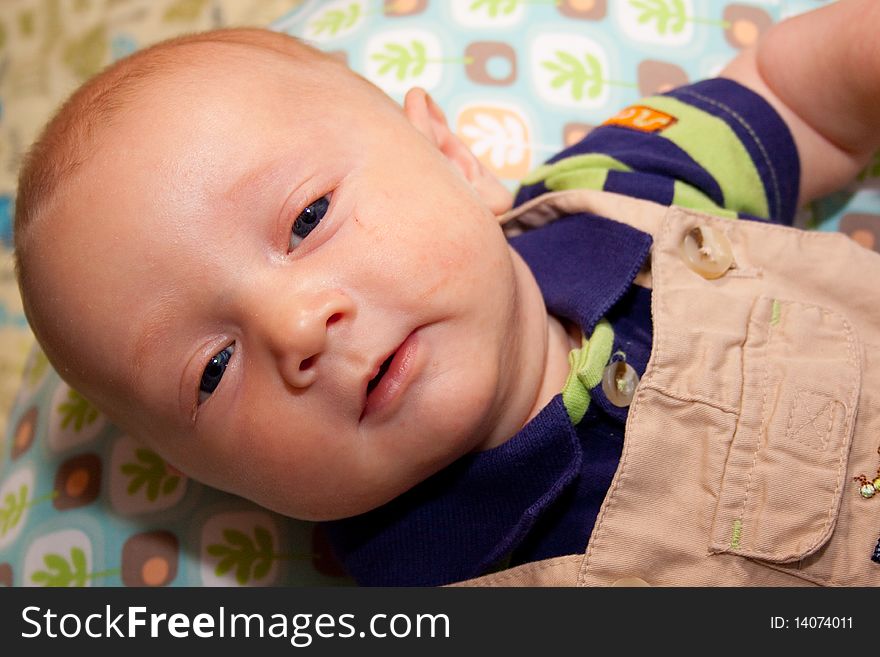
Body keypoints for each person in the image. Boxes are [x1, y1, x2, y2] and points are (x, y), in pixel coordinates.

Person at [12, 0, 880, 587]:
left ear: (455, 159)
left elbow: (799, 96)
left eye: (308, 217)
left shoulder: (623, 191)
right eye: (212, 369)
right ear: (210, 477)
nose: (296, 326)